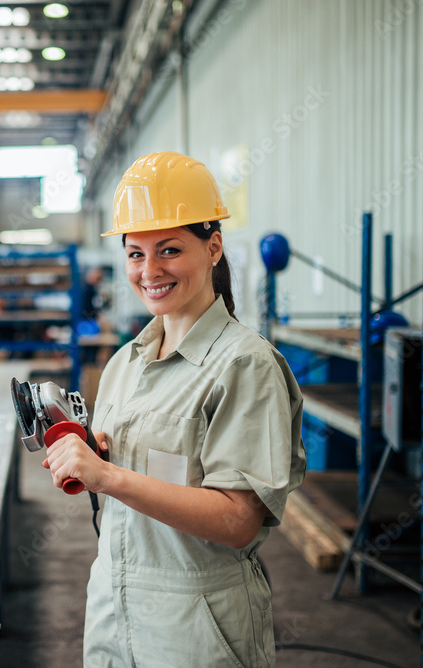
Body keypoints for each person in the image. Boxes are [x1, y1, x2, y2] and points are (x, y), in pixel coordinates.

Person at [42, 151, 306, 666]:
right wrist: (96, 454)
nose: (150, 270)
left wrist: (108, 476)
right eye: (135, 254)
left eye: (168, 250)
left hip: (196, 625)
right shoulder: (127, 361)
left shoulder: (244, 366)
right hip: (112, 610)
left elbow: (237, 521)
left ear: (213, 247)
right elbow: (140, 468)